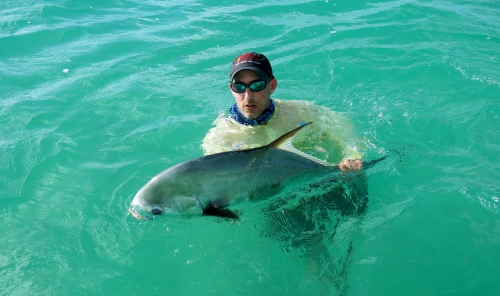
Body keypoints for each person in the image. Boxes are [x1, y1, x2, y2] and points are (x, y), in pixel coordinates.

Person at [202, 52, 364, 171]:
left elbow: (342, 127)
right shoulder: (220, 140)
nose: (248, 95)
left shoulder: (300, 112)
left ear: (272, 86)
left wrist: (351, 156)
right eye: (239, 87)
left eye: (256, 85)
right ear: (232, 89)